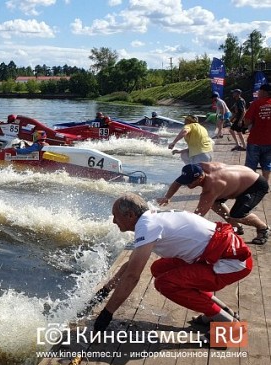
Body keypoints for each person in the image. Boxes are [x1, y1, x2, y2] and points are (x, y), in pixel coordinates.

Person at [93, 193, 252, 332]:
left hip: (231, 263)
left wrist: (106, 314)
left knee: (165, 283)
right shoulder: (152, 218)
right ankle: (222, 311)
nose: (114, 221)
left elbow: (132, 277)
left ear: (130, 215)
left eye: (115, 216)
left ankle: (229, 325)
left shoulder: (147, 226)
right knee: (159, 268)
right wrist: (105, 290)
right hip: (217, 255)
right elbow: (131, 264)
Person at [157, 162, 269, 244]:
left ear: (200, 178)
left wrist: (177, 231)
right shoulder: (195, 168)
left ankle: (263, 228)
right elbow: (177, 182)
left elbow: (198, 215)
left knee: (237, 214)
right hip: (237, 181)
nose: (187, 185)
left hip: (255, 185)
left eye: (190, 183)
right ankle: (235, 226)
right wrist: (167, 197)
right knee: (214, 204)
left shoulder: (212, 186)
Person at [243, 83, 271, 181]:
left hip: (255, 140)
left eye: (259, 91)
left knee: (250, 166)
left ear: (263, 92)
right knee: (267, 164)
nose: (258, 93)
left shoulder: (256, 104)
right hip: (269, 141)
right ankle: (265, 186)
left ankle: (250, 187)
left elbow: (246, 122)